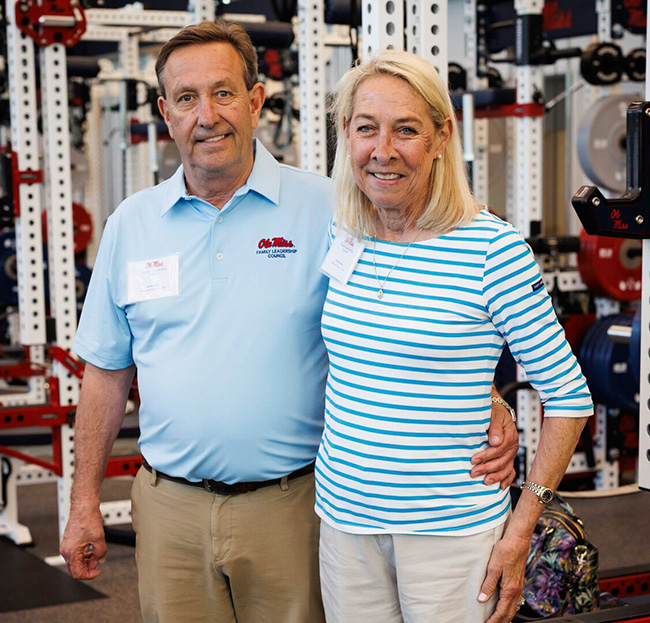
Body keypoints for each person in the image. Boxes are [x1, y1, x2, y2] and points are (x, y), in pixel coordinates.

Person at [59, 22, 519, 623]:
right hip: (168, 509)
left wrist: (483, 398)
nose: (207, 116)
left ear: (255, 101)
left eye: (223, 93)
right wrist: (83, 499)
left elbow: (407, 312)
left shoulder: (333, 208)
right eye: (187, 98)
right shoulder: (131, 225)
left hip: (293, 504)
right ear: (164, 112)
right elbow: (105, 372)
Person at [316, 49, 593, 623]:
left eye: (406, 130)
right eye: (366, 128)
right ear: (346, 134)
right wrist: (489, 399)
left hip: (450, 534)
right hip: (345, 521)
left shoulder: (492, 249)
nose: (383, 150)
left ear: (441, 136)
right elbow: (382, 355)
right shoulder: (343, 231)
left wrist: (521, 531)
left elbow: (569, 399)